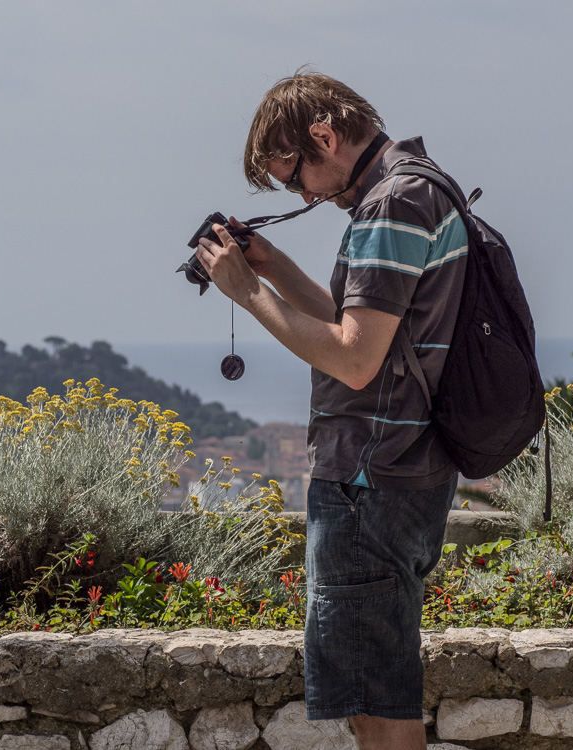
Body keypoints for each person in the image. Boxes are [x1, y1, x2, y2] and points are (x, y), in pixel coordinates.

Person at [195, 70, 467, 750]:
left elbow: (352, 359)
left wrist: (245, 295)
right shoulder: (421, 184)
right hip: (406, 469)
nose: (303, 196)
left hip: (368, 483)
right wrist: (272, 267)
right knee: (376, 693)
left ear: (324, 136)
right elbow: (375, 335)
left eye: (295, 177)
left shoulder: (389, 205)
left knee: (374, 709)